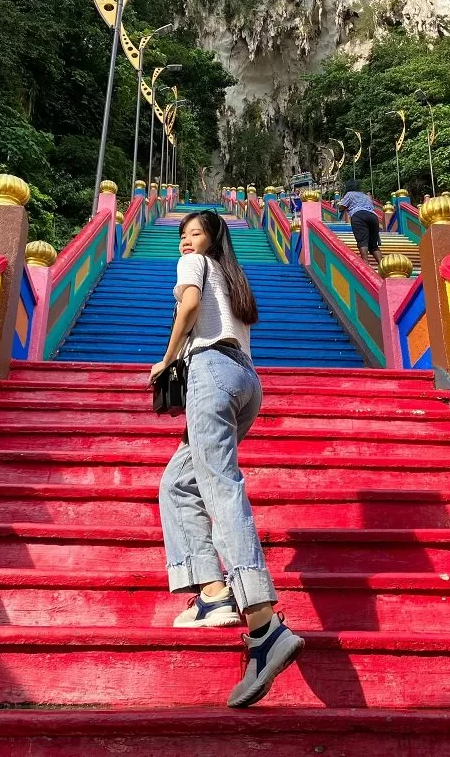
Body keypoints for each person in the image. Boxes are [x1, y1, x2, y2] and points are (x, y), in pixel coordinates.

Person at [148, 209, 305, 708]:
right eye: (181, 236)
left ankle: (263, 624)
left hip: (211, 371)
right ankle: (212, 592)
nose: (184, 243)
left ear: (212, 238)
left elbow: (189, 306)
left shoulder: (196, 266)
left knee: (220, 486)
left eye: (194, 233)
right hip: (246, 381)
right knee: (178, 483)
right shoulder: (234, 279)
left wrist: (168, 358)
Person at [338, 179, 383, 265]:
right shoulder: (365, 196)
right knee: (373, 245)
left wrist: (339, 204)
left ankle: (365, 263)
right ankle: (382, 265)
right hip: (373, 217)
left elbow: (341, 207)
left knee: (362, 241)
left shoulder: (349, 194)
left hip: (359, 216)